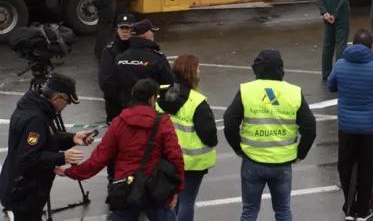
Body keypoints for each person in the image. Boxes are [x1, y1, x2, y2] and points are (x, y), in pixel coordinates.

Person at [60, 79, 183, 220]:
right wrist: (176, 190)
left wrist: (71, 172)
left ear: (133, 95)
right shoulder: (163, 122)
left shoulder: (119, 122)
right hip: (155, 188)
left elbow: (99, 159)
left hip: (126, 188)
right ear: (152, 98)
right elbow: (176, 158)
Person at [224, 49, 317, 221]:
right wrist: (300, 154)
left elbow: (229, 122)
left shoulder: (247, 90)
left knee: (249, 211)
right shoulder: (293, 91)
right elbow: (310, 127)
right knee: (283, 211)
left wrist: (238, 148)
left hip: (253, 160)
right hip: (282, 162)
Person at [328, 29, 373, 221]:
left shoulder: (341, 64)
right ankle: (363, 209)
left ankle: (349, 207)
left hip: (347, 127)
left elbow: (331, 86)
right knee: (367, 168)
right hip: (369, 127)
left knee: (346, 166)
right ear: (371, 47)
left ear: (352, 44)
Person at [0, 74, 91, 221]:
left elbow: (48, 139)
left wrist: (72, 138)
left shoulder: (37, 109)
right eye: (67, 102)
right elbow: (28, 157)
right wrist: (62, 157)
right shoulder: (35, 119)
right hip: (25, 189)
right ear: (57, 98)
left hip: (25, 186)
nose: (65, 106)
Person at [158, 55, 218, 221]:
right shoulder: (196, 101)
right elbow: (209, 136)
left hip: (166, 159)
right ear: (191, 72)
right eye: (198, 68)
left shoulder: (162, 94)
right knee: (187, 201)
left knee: (172, 200)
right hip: (191, 162)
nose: (200, 71)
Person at [114, 19, 174, 108]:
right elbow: (168, 84)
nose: (153, 34)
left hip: (126, 107)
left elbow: (113, 82)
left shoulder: (121, 57)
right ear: (145, 34)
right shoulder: (156, 58)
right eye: (151, 31)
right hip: (151, 107)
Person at [316, 0, 352, 80]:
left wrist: (325, 13)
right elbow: (343, 0)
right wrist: (335, 15)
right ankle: (339, 74)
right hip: (341, 18)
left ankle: (326, 73)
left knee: (328, 45)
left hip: (327, 17)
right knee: (340, 45)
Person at [99, 12, 136, 123]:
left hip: (135, 106)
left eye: (127, 28)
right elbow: (106, 82)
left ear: (133, 30)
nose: (124, 31)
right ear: (117, 29)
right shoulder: (109, 51)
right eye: (122, 28)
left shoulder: (138, 49)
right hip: (116, 107)